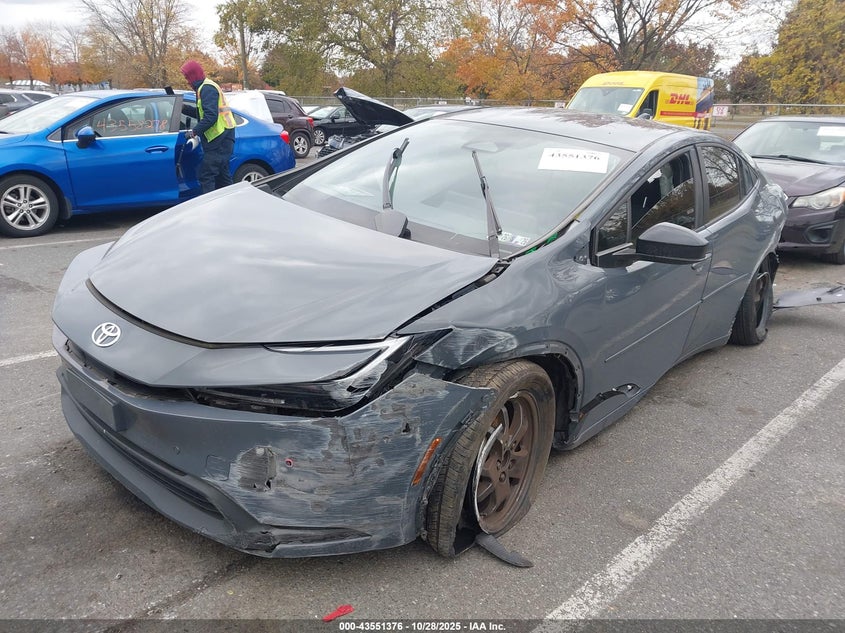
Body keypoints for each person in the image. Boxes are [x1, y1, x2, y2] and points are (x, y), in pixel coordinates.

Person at [180, 60, 236, 193]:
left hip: (220, 139)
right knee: (222, 176)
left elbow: (211, 116)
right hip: (222, 137)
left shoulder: (207, 89)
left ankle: (211, 204)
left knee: (206, 175)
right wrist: (184, 108)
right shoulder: (204, 88)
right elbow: (203, 114)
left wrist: (194, 132)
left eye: (187, 77)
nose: (187, 81)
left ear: (193, 75)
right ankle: (230, 201)